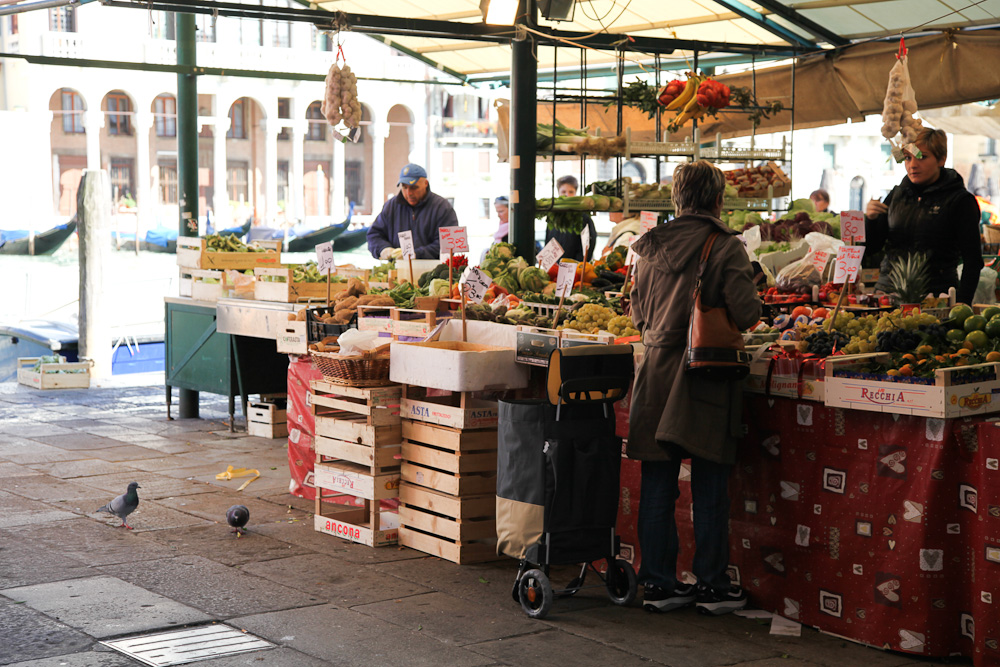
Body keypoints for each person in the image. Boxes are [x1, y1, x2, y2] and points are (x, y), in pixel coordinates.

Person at [628, 160, 761, 616]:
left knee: (658, 482)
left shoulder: (646, 248)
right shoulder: (725, 246)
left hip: (656, 373)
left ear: (676, 198)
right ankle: (711, 584)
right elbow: (746, 315)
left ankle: (659, 584)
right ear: (718, 199)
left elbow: (638, 318)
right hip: (705, 375)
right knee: (709, 482)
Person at [864, 129, 983, 304]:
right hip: (888, 295)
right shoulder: (896, 196)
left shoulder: (960, 201)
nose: (912, 165)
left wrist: (962, 303)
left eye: (922, 157)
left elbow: (973, 261)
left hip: (935, 298)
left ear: (941, 159)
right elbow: (872, 248)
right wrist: (871, 220)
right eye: (907, 158)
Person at [367, 163, 459, 260]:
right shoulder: (391, 207)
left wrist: (417, 254)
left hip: (432, 271)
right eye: (404, 187)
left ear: (425, 183)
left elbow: (449, 245)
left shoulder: (443, 208)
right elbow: (374, 235)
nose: (409, 193)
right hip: (397, 270)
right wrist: (383, 248)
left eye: (414, 187)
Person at [546, 175, 596, 262]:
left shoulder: (584, 218)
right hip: (555, 268)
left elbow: (588, 245)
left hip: (574, 268)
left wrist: (578, 266)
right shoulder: (553, 218)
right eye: (563, 192)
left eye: (571, 192)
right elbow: (548, 243)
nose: (567, 195)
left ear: (576, 193)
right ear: (558, 193)